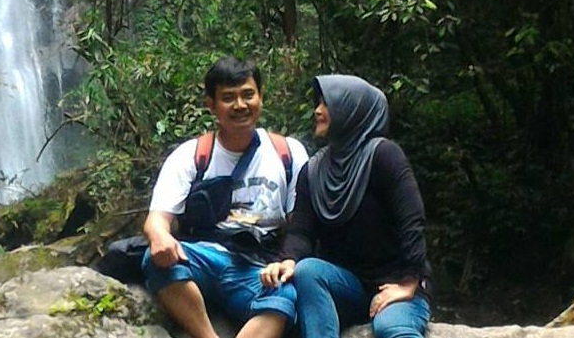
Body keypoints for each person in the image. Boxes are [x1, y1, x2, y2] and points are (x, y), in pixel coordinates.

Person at [142, 56, 310, 338]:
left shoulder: (288, 152)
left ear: (261, 96)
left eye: (248, 95)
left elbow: (300, 224)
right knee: (156, 260)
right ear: (211, 105)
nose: (240, 106)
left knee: (284, 297)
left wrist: (285, 261)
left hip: (259, 266)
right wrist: (160, 237)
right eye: (228, 98)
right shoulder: (191, 155)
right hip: (205, 257)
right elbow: (156, 219)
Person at [260, 74, 432, 338]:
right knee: (307, 271)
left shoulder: (384, 155)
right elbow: (301, 232)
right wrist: (288, 260)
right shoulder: (313, 171)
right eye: (317, 104)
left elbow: (412, 221)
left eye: (327, 104)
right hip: (347, 286)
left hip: (396, 280)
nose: (317, 111)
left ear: (352, 110)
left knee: (391, 327)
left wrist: (408, 282)